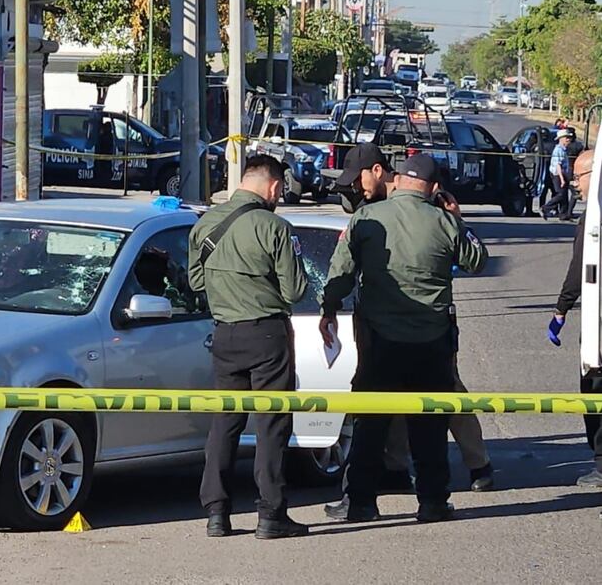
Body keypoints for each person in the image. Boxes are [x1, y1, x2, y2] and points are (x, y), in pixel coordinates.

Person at [322, 146, 495, 520]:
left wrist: (328, 309)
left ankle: (360, 502)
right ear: (434, 188)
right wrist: (458, 218)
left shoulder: (368, 217)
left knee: (369, 422)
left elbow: (341, 271)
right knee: (429, 424)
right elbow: (477, 260)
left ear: (398, 180)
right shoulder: (443, 221)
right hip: (431, 343)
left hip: (380, 340)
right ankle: (432, 501)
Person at [188, 155, 309, 539]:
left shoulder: (205, 223)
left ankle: (216, 513)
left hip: (224, 334)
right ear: (273, 186)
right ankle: (271, 514)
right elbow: (296, 290)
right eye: (280, 190)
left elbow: (194, 282)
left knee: (225, 422)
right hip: (268, 335)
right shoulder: (274, 227)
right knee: (272, 424)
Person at [547, 149, 602, 487]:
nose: (575, 185)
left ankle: (600, 463)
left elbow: (582, 269)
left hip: (598, 321)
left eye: (579, 176)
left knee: (593, 387)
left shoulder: (593, 219)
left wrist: (560, 309)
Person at [544, 128, 575, 221]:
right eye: (566, 138)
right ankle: (546, 207)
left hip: (562, 174)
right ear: (561, 139)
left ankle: (563, 214)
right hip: (557, 175)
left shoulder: (564, 149)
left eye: (569, 138)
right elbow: (558, 165)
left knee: (564, 195)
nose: (568, 139)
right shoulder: (558, 150)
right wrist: (562, 179)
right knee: (560, 194)